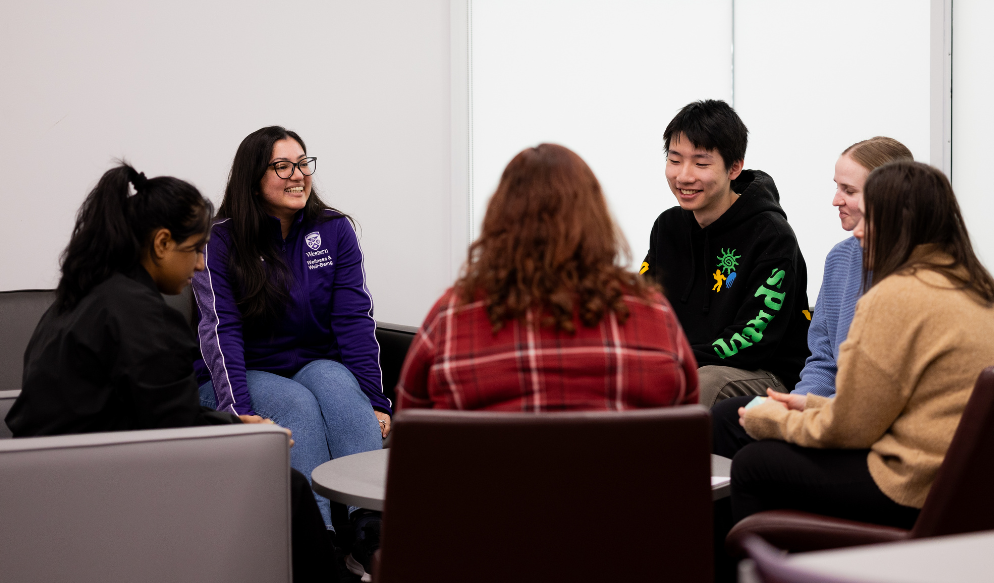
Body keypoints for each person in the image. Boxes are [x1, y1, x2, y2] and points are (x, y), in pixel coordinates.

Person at [6, 163, 346, 583]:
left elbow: (144, 411)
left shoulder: (83, 297)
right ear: (162, 243)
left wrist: (232, 426)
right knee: (288, 488)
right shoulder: (145, 318)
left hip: (48, 482)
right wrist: (243, 439)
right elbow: (172, 437)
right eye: (196, 249)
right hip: (99, 485)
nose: (202, 264)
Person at [715, 161, 994, 529]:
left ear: (903, 225)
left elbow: (854, 429)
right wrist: (808, 403)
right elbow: (880, 407)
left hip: (908, 484)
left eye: (869, 220)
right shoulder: (975, 287)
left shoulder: (895, 295)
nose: (858, 234)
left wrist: (775, 420)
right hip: (958, 483)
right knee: (733, 416)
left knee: (753, 459)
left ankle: (762, 580)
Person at [398, 143, 699, 411]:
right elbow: (686, 430)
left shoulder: (451, 317)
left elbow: (411, 437)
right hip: (623, 475)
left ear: (499, 219)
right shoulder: (654, 314)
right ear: (596, 219)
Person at [193, 125, 388, 530]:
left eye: (302, 163)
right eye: (282, 166)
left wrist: (376, 402)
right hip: (238, 375)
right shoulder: (219, 240)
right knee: (296, 403)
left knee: (339, 389)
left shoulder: (334, 229)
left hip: (312, 362)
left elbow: (353, 320)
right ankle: (318, 540)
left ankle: (371, 530)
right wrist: (237, 414)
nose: (298, 174)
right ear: (253, 177)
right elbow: (220, 332)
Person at [710, 137, 914, 433]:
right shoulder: (839, 259)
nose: (836, 200)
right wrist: (794, 405)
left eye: (849, 191)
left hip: (859, 421)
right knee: (728, 415)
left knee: (753, 458)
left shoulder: (919, 275)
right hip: (823, 409)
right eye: (837, 187)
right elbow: (822, 359)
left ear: (888, 196)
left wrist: (804, 418)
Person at [640, 100, 811, 406]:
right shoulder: (667, 226)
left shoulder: (772, 236)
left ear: (734, 167)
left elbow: (753, 340)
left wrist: (676, 360)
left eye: (701, 164)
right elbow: (645, 306)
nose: (684, 176)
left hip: (763, 375)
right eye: (675, 160)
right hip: (686, 362)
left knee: (703, 383)